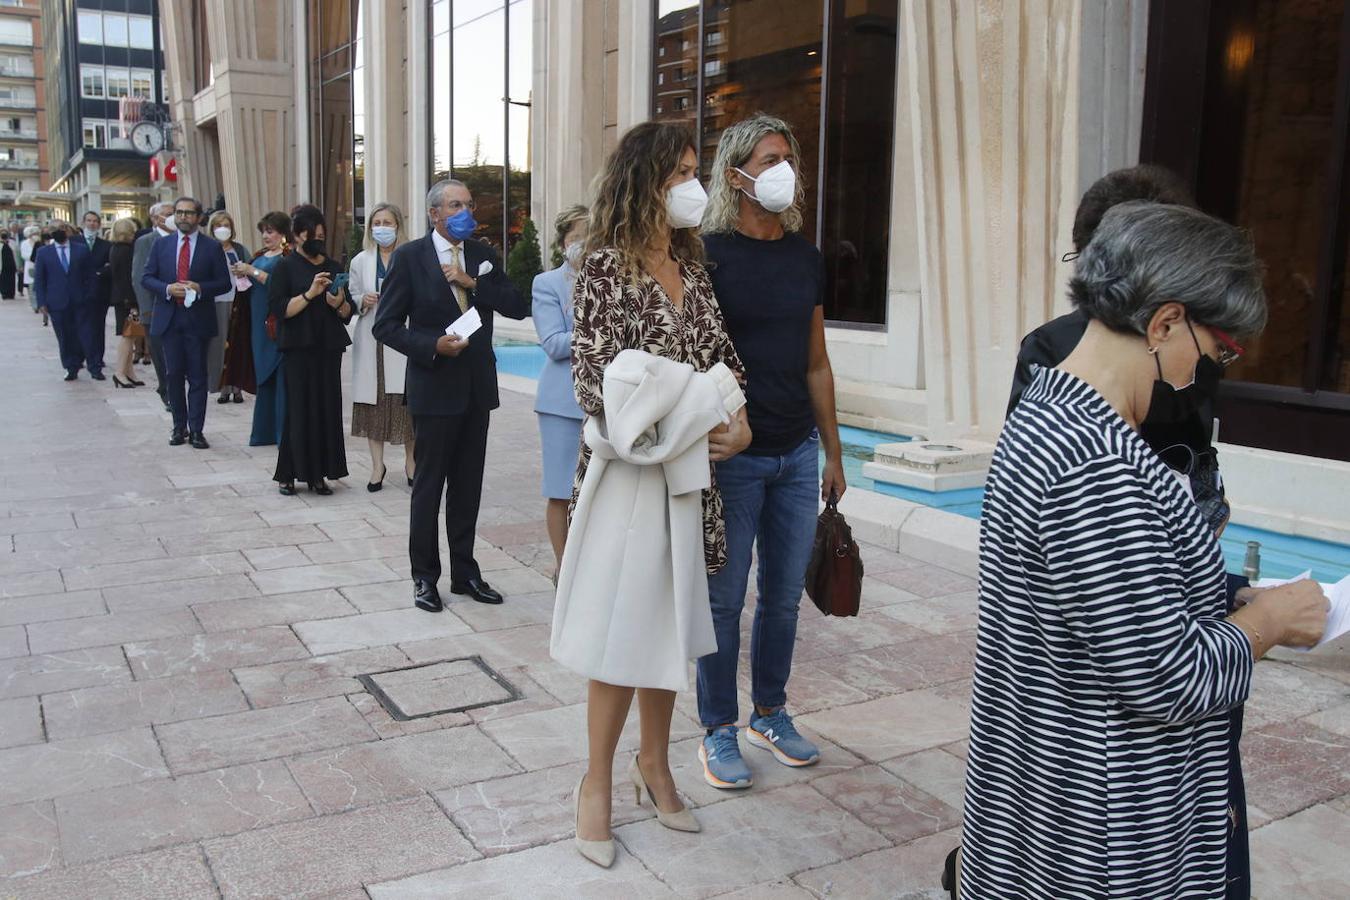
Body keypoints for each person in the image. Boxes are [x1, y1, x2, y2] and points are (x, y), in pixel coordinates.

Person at [957, 202, 1329, 899]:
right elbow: (1166, 678)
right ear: (1163, 322)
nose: (1213, 367)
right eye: (1219, 350)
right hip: (1103, 830)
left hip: (1052, 792)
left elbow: (1092, 613)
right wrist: (1269, 623)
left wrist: (1219, 600)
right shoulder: (1097, 461)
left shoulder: (1050, 413)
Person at [555, 121, 752, 868]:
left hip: (690, 482)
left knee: (671, 628)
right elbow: (601, 383)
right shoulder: (604, 267)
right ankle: (595, 782)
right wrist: (695, 401)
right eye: (679, 174)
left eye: (695, 172)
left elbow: (723, 363)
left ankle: (656, 764)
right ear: (643, 182)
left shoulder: (694, 268)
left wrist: (736, 421)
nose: (692, 187)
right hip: (629, 483)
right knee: (619, 636)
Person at [693, 112, 847, 788]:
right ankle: (718, 727)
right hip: (735, 455)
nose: (783, 168)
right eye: (768, 157)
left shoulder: (805, 256)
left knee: (783, 598)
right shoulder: (708, 253)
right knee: (724, 602)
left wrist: (834, 452)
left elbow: (817, 361)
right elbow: (695, 357)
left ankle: (770, 711)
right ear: (736, 175)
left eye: (788, 155)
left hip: (796, 452)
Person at [372, 178, 530, 610]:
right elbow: (384, 326)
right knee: (428, 487)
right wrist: (431, 346)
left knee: (468, 487)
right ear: (434, 214)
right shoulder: (409, 258)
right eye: (455, 205)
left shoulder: (481, 256)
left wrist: (472, 282)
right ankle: (424, 576)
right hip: (434, 387)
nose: (465, 212)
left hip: (476, 389)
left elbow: (517, 304)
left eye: (469, 204)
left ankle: (466, 572)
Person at [268, 204, 353, 495]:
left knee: (326, 409)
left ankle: (319, 474)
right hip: (298, 349)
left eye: (321, 234)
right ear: (298, 235)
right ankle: (289, 474)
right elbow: (281, 310)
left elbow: (347, 312)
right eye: (312, 234)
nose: (318, 239)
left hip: (328, 348)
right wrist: (310, 294)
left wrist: (338, 302)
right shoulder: (285, 267)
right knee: (298, 410)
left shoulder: (333, 266)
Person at [141, 196, 232, 449]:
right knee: (173, 375)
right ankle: (178, 427)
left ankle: (196, 430)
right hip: (169, 318)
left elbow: (224, 282)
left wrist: (200, 287)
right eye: (179, 213)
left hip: (197, 320)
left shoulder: (211, 247)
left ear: (199, 218)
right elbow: (146, 277)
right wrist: (167, 288)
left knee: (198, 376)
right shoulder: (162, 245)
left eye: (189, 213)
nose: (183, 217)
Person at [530, 204, 588, 571]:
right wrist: (600, 333)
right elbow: (552, 343)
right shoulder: (548, 283)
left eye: (590, 238)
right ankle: (563, 566)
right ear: (563, 242)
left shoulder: (616, 279)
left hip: (605, 402)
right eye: (576, 238)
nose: (583, 245)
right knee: (561, 489)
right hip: (562, 404)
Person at [349, 202, 415, 492]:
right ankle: (377, 466)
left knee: (406, 403)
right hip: (372, 338)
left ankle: (411, 461)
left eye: (388, 222)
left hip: (401, 338)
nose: (382, 228)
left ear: (398, 226)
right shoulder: (360, 260)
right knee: (372, 404)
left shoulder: (411, 257)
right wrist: (363, 299)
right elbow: (351, 296)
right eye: (377, 222)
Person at [242, 212, 290, 446]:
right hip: (257, 322)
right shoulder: (258, 256)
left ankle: (282, 432)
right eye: (264, 231)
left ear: (283, 233)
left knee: (280, 377)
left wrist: (251, 272)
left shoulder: (287, 257)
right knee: (264, 376)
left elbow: (279, 284)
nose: (265, 236)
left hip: (276, 323)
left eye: (270, 231)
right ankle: (264, 432)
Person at [32, 221, 95, 380]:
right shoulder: (44, 252)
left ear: (67, 230)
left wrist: (89, 295)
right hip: (56, 301)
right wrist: (41, 302)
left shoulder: (81, 249)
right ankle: (70, 366)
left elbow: (90, 275)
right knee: (64, 335)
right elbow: (39, 279)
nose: (58, 232)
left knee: (85, 334)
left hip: (80, 299)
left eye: (61, 229)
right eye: (54, 230)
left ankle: (93, 365)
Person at [209, 210, 254, 404]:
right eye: (218, 225)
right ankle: (222, 387)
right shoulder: (208, 249)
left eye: (226, 225)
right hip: (216, 302)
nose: (222, 229)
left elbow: (252, 270)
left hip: (238, 300)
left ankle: (237, 387)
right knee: (219, 346)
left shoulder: (239, 249)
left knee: (237, 343)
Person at [133, 203, 175, 409]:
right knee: (160, 353)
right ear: (155, 219)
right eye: (167, 215)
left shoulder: (183, 240)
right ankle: (166, 390)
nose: (172, 218)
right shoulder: (146, 242)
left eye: (173, 214)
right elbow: (139, 277)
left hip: (181, 308)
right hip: (156, 309)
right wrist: (146, 310)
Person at [107, 218, 143, 389]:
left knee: (130, 334)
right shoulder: (126, 251)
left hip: (121, 297)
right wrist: (133, 302)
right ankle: (120, 372)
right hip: (127, 299)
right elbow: (127, 279)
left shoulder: (115, 249)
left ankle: (129, 372)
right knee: (127, 336)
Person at [79, 211, 112, 381]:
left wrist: (98, 272)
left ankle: (96, 362)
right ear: (83, 222)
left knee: (98, 329)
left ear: (99, 224)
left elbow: (110, 266)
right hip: (79, 294)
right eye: (89, 221)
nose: (92, 224)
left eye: (95, 221)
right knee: (81, 328)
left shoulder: (106, 245)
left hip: (99, 294)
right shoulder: (75, 242)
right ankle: (81, 357)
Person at [20, 225, 38, 308]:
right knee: (31, 286)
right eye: (33, 233)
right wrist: (33, 257)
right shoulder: (24, 243)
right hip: (30, 265)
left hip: (39, 265)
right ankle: (34, 304)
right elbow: (23, 255)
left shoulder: (39, 243)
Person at [0, 231, 16, 300]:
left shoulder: (12, 243)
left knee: (11, 280)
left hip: (11, 266)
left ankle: (11, 293)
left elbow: (15, 252)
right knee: (3, 280)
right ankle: (4, 293)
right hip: (2, 265)